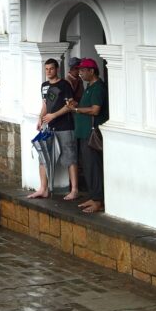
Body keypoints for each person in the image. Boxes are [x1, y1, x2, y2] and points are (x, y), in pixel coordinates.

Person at [30, 58, 79, 200]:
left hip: (65, 126)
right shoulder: (44, 85)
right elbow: (45, 104)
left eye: (51, 69)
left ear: (57, 69)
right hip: (49, 128)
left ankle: (74, 190)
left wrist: (54, 115)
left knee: (70, 157)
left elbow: (70, 105)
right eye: (46, 69)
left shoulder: (64, 85)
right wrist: (41, 118)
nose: (48, 71)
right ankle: (43, 189)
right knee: (43, 157)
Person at [69, 59, 107, 213]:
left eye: (83, 70)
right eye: (80, 70)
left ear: (92, 71)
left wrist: (77, 110)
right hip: (83, 133)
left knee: (94, 167)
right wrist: (76, 105)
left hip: (91, 134)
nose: (80, 73)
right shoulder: (89, 87)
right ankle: (93, 196)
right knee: (88, 166)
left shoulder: (98, 88)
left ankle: (98, 201)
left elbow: (95, 110)